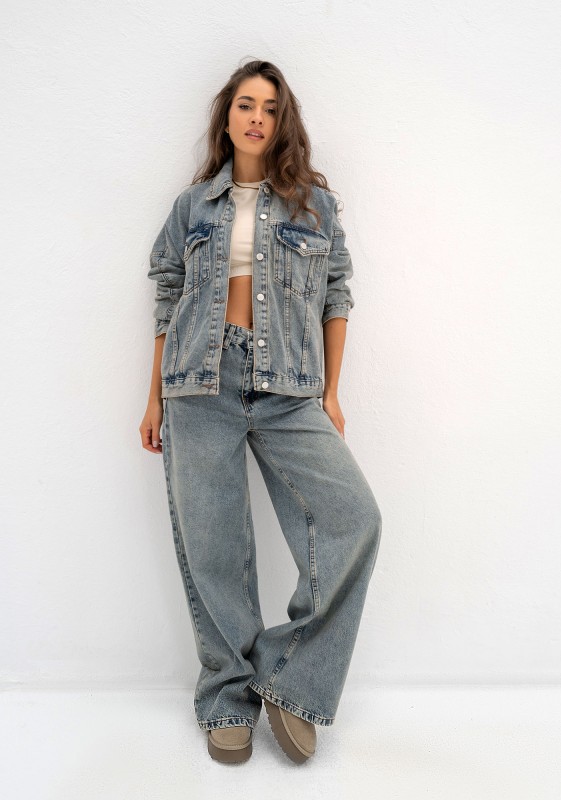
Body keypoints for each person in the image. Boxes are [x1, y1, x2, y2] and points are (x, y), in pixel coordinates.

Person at [139, 59, 382, 765]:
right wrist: (152, 397)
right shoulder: (192, 207)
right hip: (197, 382)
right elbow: (167, 297)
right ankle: (227, 698)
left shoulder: (314, 205)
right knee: (215, 549)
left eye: (271, 109)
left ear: (283, 123)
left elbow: (336, 294)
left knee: (355, 519)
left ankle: (292, 680)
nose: (257, 117)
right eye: (246, 104)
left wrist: (330, 392)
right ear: (227, 116)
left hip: (288, 385)